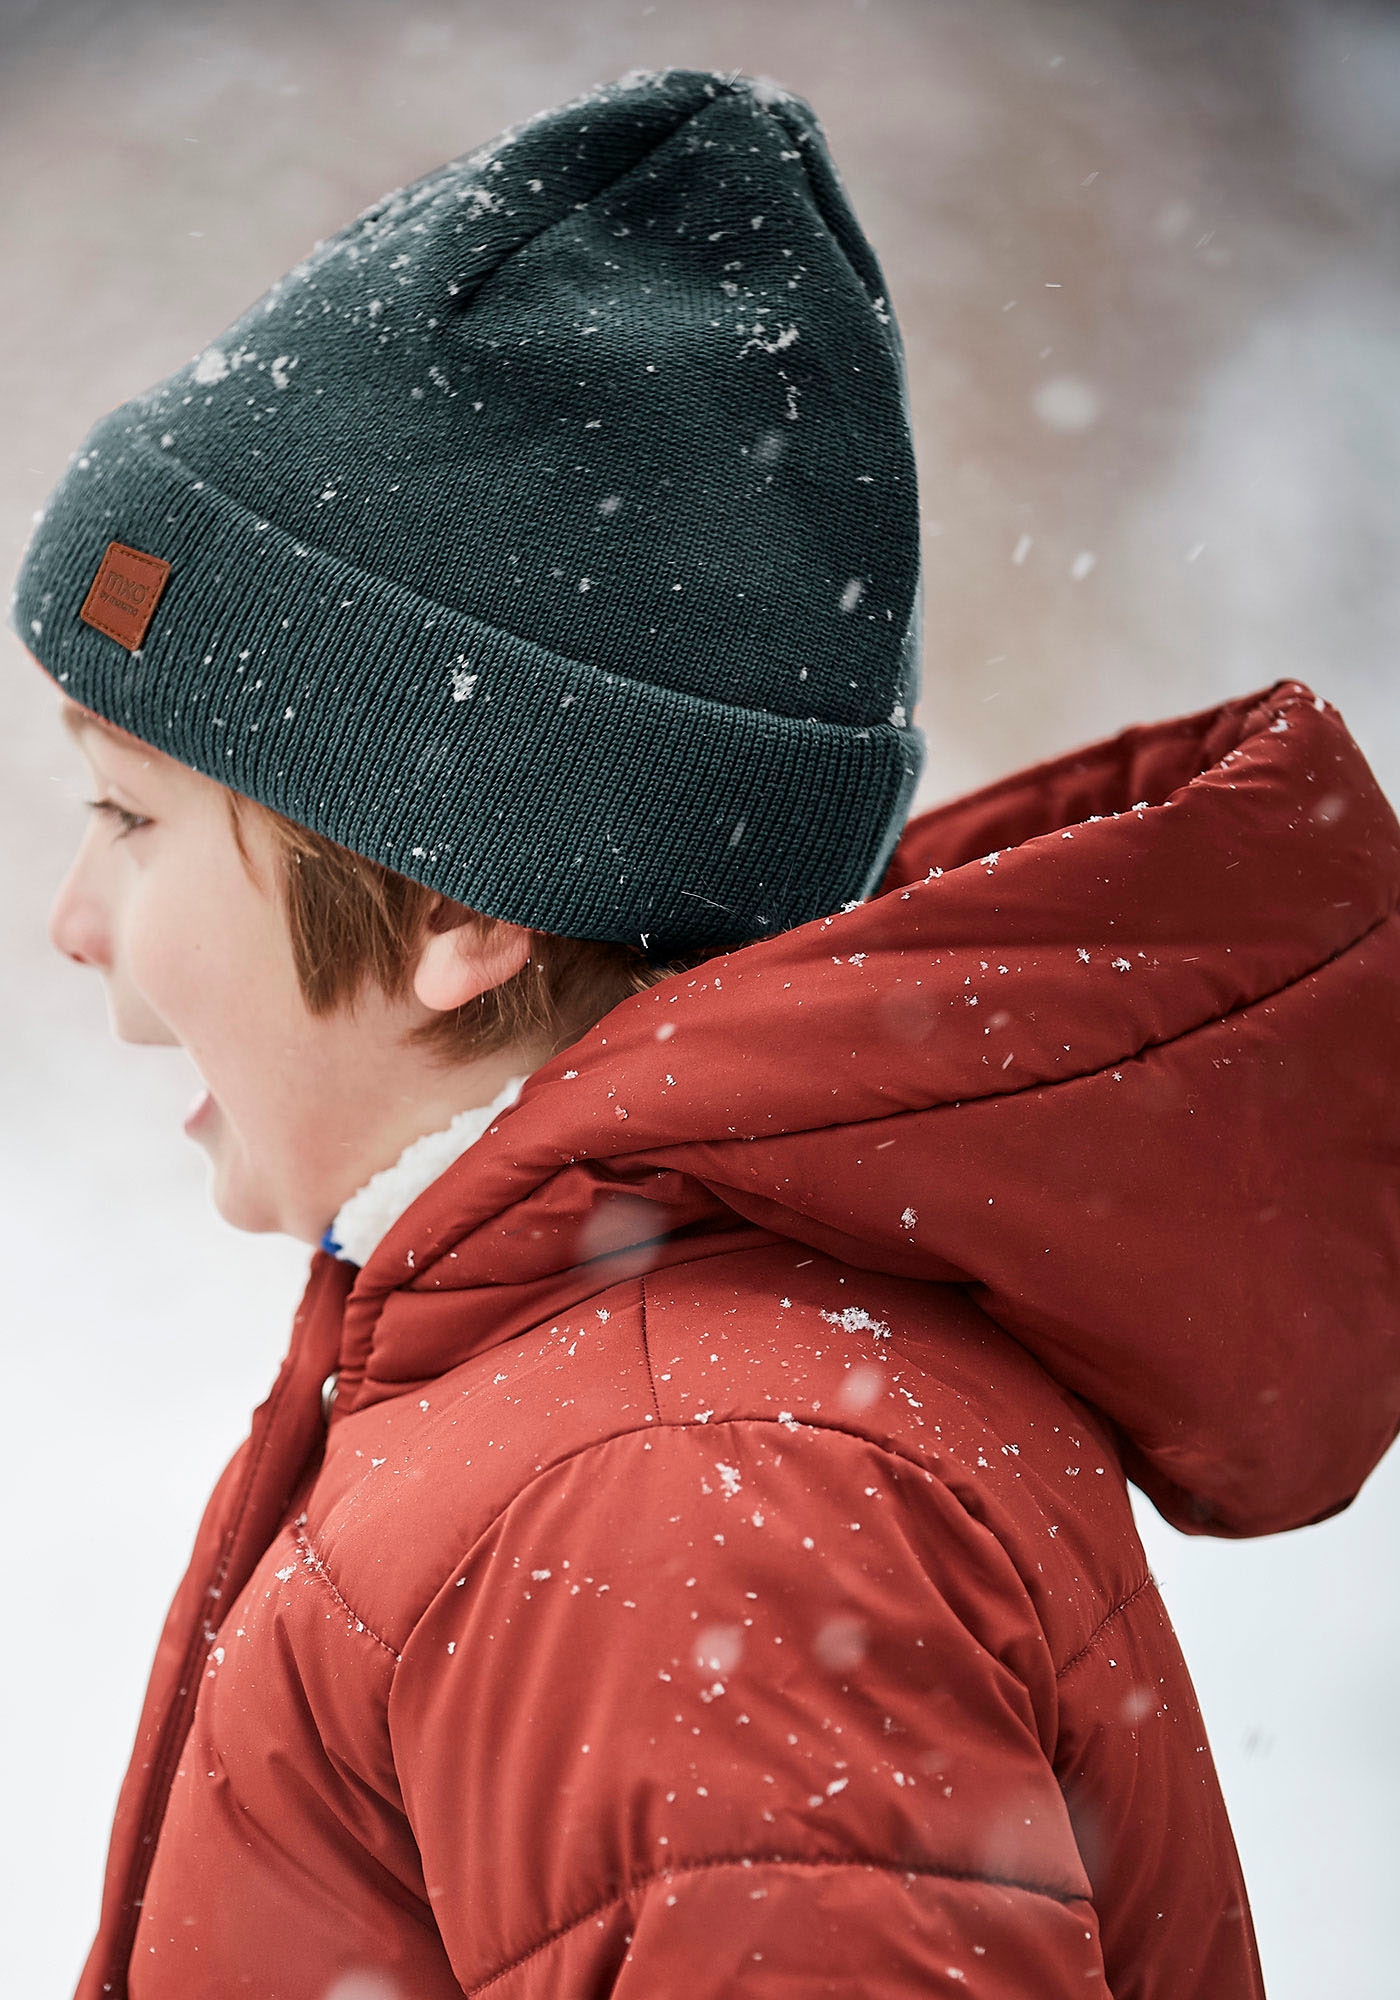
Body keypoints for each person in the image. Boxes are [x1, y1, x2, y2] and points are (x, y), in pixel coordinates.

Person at [16, 66, 1399, 2000]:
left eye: (135, 820)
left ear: (456, 908)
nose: (74, 925)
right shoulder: (593, 1400)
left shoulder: (673, 1489)